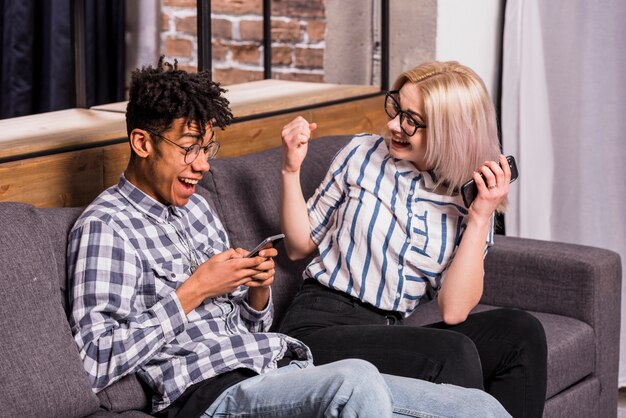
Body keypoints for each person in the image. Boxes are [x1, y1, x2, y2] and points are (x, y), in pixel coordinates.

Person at [67, 57, 511, 418]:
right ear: (142, 143)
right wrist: (194, 290)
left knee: (479, 408)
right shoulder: (107, 226)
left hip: (275, 363)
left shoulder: (196, 208)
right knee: (354, 380)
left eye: (207, 149)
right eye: (189, 149)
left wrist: (257, 294)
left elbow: (247, 328)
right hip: (206, 392)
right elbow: (94, 361)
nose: (202, 165)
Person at [278, 61, 547, 418]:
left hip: (391, 332)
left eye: (411, 120)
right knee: (453, 354)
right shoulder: (362, 154)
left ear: (450, 132)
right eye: (396, 109)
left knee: (521, 333)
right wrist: (290, 169)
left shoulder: (470, 201)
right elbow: (299, 246)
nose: (393, 125)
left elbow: (453, 310)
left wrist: (481, 215)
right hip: (320, 327)